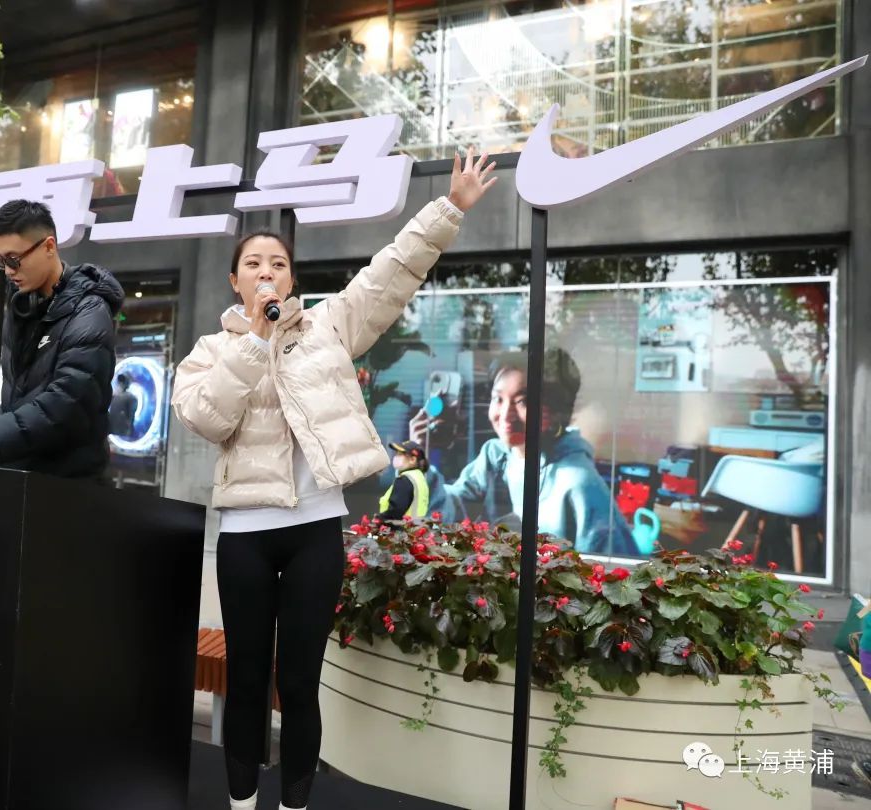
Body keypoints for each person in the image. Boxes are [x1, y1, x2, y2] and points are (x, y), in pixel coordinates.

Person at [172, 148, 497, 810]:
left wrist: (450, 207)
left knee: (299, 682)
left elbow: (390, 273)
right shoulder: (210, 353)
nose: (267, 273)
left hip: (315, 528)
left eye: (278, 264)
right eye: (254, 264)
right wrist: (251, 344)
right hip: (245, 534)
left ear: (292, 278)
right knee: (246, 677)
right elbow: (207, 418)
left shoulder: (326, 328)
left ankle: (294, 805)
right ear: (234, 281)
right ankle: (240, 805)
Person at [412, 348, 637, 556]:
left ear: (557, 411)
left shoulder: (578, 483)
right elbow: (448, 516)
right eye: (498, 399)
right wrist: (419, 458)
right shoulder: (495, 457)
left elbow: (614, 567)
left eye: (523, 401)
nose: (505, 415)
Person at [0, 199, 124, 478]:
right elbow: (17, 402)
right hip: (22, 478)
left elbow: (66, 406)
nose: (8, 271)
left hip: (67, 486)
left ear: (49, 247)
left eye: (13, 259)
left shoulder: (89, 311)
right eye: (0, 261)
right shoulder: (22, 307)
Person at [375, 440, 430, 521]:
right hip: (415, 527)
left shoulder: (405, 479)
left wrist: (379, 519)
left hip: (400, 527)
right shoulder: (419, 478)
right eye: (396, 454)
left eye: (400, 454)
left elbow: (396, 510)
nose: (396, 457)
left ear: (412, 460)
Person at [108, 373, 138, 439]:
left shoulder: (113, 396)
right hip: (121, 433)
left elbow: (131, 416)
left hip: (119, 433)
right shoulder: (131, 398)